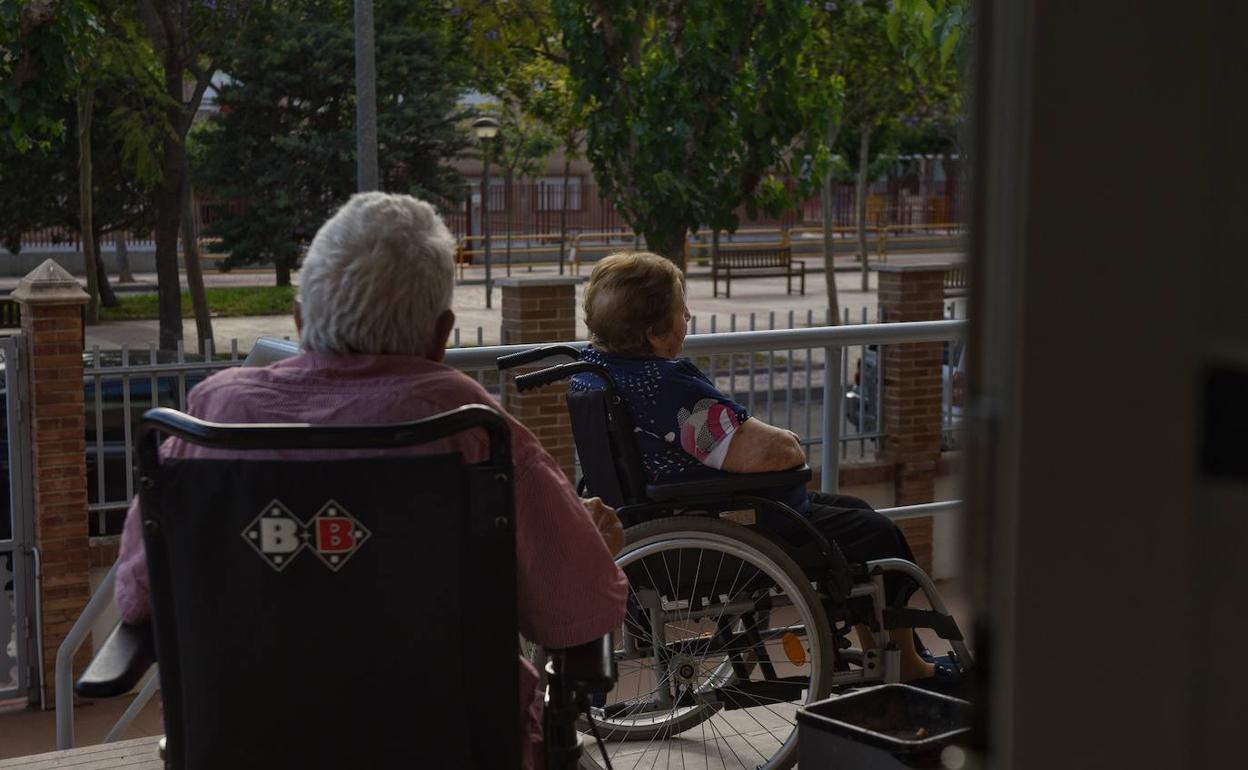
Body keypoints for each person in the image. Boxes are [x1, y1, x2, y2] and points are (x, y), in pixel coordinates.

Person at [114, 192, 629, 768]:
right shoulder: (471, 428)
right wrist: (590, 546)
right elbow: (577, 613)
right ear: (441, 336)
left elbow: (137, 600)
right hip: (452, 747)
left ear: (301, 321)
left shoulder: (209, 420)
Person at [571, 250, 945, 684]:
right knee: (878, 536)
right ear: (656, 333)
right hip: (721, 523)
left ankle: (884, 654)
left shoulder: (598, 371)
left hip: (666, 513)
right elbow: (776, 454)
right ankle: (912, 668)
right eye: (681, 308)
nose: (688, 315)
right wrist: (785, 441)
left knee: (857, 510)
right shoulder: (664, 388)